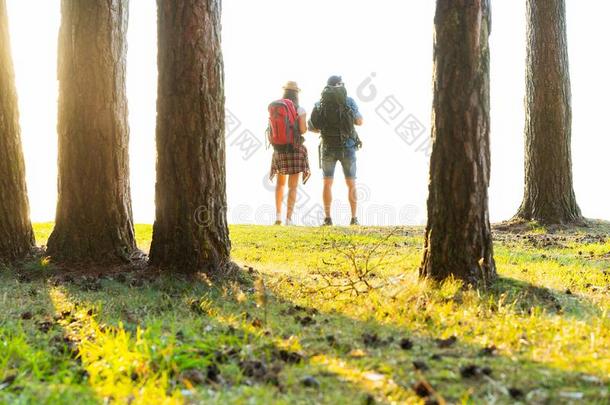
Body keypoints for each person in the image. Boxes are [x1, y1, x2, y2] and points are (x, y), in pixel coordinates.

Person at [309, 75, 363, 226]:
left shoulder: (320, 103)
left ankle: (327, 218)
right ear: (340, 85)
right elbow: (360, 121)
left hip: (328, 148)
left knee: (327, 183)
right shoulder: (349, 101)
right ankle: (354, 218)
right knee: (351, 184)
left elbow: (312, 127)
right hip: (348, 147)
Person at [268, 81, 310, 226]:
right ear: (297, 93)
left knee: (280, 184)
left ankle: (278, 217)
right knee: (293, 186)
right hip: (295, 149)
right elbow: (303, 130)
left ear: (284, 92)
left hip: (279, 149)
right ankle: (288, 219)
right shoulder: (300, 109)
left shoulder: (276, 107)